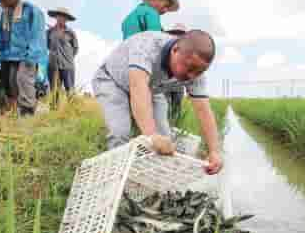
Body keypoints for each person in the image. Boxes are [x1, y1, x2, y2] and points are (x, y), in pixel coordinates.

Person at [92, 30, 223, 175]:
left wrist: (214, 151)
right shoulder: (148, 46)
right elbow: (138, 87)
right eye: (189, 68)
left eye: (199, 72)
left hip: (152, 88)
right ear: (175, 50)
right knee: (120, 132)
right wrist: (151, 135)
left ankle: (151, 177)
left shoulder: (195, 72)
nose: (192, 76)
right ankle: (115, 176)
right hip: (113, 81)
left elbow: (203, 110)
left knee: (164, 138)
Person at [0, 0, 47, 117]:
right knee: (9, 86)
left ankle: (27, 115)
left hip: (26, 56)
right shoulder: (5, 14)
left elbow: (37, 36)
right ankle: (14, 114)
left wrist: (30, 58)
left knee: (23, 81)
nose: (0, 1)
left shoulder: (31, 11)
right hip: (8, 55)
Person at [46, 7, 79, 94]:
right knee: (54, 91)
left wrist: (68, 57)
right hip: (53, 65)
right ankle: (54, 108)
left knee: (70, 90)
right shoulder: (49, 32)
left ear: (67, 19)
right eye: (59, 16)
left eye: (64, 17)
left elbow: (75, 48)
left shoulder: (70, 32)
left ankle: (72, 107)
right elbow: (47, 45)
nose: (62, 18)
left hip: (67, 66)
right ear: (56, 17)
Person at [164, 23, 188, 121]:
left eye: (181, 34)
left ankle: (174, 126)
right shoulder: (166, 47)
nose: (178, 36)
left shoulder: (187, 50)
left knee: (176, 108)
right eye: (176, 33)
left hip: (178, 85)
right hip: (164, 84)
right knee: (165, 107)